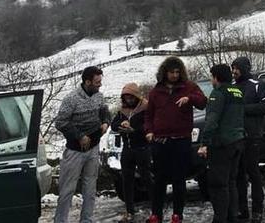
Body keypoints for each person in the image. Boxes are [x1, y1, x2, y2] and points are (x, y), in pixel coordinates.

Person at [144, 56, 207, 223]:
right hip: (160, 141)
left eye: (177, 72)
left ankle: (177, 214)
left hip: (181, 139)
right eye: (171, 72)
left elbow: (203, 102)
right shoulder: (155, 92)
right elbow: (149, 115)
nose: (174, 75)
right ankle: (156, 214)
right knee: (159, 180)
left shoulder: (189, 87)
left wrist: (190, 98)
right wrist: (149, 131)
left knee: (179, 179)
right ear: (164, 73)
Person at [54, 66, 110, 223]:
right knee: (67, 190)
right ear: (87, 82)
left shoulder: (99, 96)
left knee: (90, 188)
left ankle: (87, 220)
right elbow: (60, 122)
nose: (100, 85)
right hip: (75, 151)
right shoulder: (71, 99)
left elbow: (105, 111)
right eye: (97, 82)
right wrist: (79, 136)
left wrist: (106, 122)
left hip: (94, 147)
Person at [198, 64, 246, 223]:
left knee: (218, 185)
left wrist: (204, 143)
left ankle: (220, 219)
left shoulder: (217, 94)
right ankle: (233, 217)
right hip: (238, 141)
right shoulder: (237, 91)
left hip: (222, 144)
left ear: (216, 77)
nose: (211, 80)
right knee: (231, 182)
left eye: (212, 77)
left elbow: (212, 120)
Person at [231, 57, 265, 223]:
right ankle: (242, 210)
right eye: (232, 68)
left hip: (252, 136)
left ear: (244, 68)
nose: (233, 72)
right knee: (238, 174)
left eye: (236, 68)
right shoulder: (231, 87)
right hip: (235, 137)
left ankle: (257, 210)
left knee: (253, 173)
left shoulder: (258, 85)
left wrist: (242, 109)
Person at [111, 82, 151, 222]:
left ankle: (155, 208)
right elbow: (113, 124)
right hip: (127, 148)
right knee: (126, 180)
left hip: (142, 147)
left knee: (146, 177)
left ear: (136, 96)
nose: (129, 100)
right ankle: (129, 210)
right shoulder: (122, 111)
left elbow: (148, 125)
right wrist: (121, 125)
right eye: (126, 97)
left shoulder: (145, 108)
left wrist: (134, 129)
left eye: (131, 97)